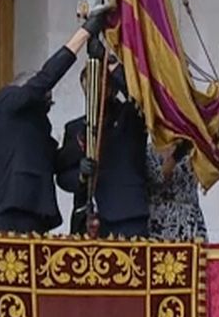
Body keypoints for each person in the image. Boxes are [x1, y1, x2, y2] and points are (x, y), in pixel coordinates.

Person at [0, 7, 112, 234]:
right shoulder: (5, 102)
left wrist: (87, 138)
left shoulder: (36, 127)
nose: (47, 106)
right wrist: (83, 34)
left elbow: (53, 161)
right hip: (13, 209)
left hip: (37, 212)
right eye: (45, 100)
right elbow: (45, 79)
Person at [57, 62, 150, 238]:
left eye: (100, 85)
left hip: (125, 216)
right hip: (85, 219)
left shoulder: (130, 116)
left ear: (112, 89)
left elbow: (143, 99)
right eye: (88, 87)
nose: (94, 92)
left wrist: (114, 69)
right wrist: (81, 174)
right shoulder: (75, 128)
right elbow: (62, 175)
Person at [147, 139, 208, 241]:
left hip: (189, 220)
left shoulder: (193, 150)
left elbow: (204, 177)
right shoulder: (150, 150)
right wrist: (176, 156)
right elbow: (157, 178)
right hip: (161, 221)